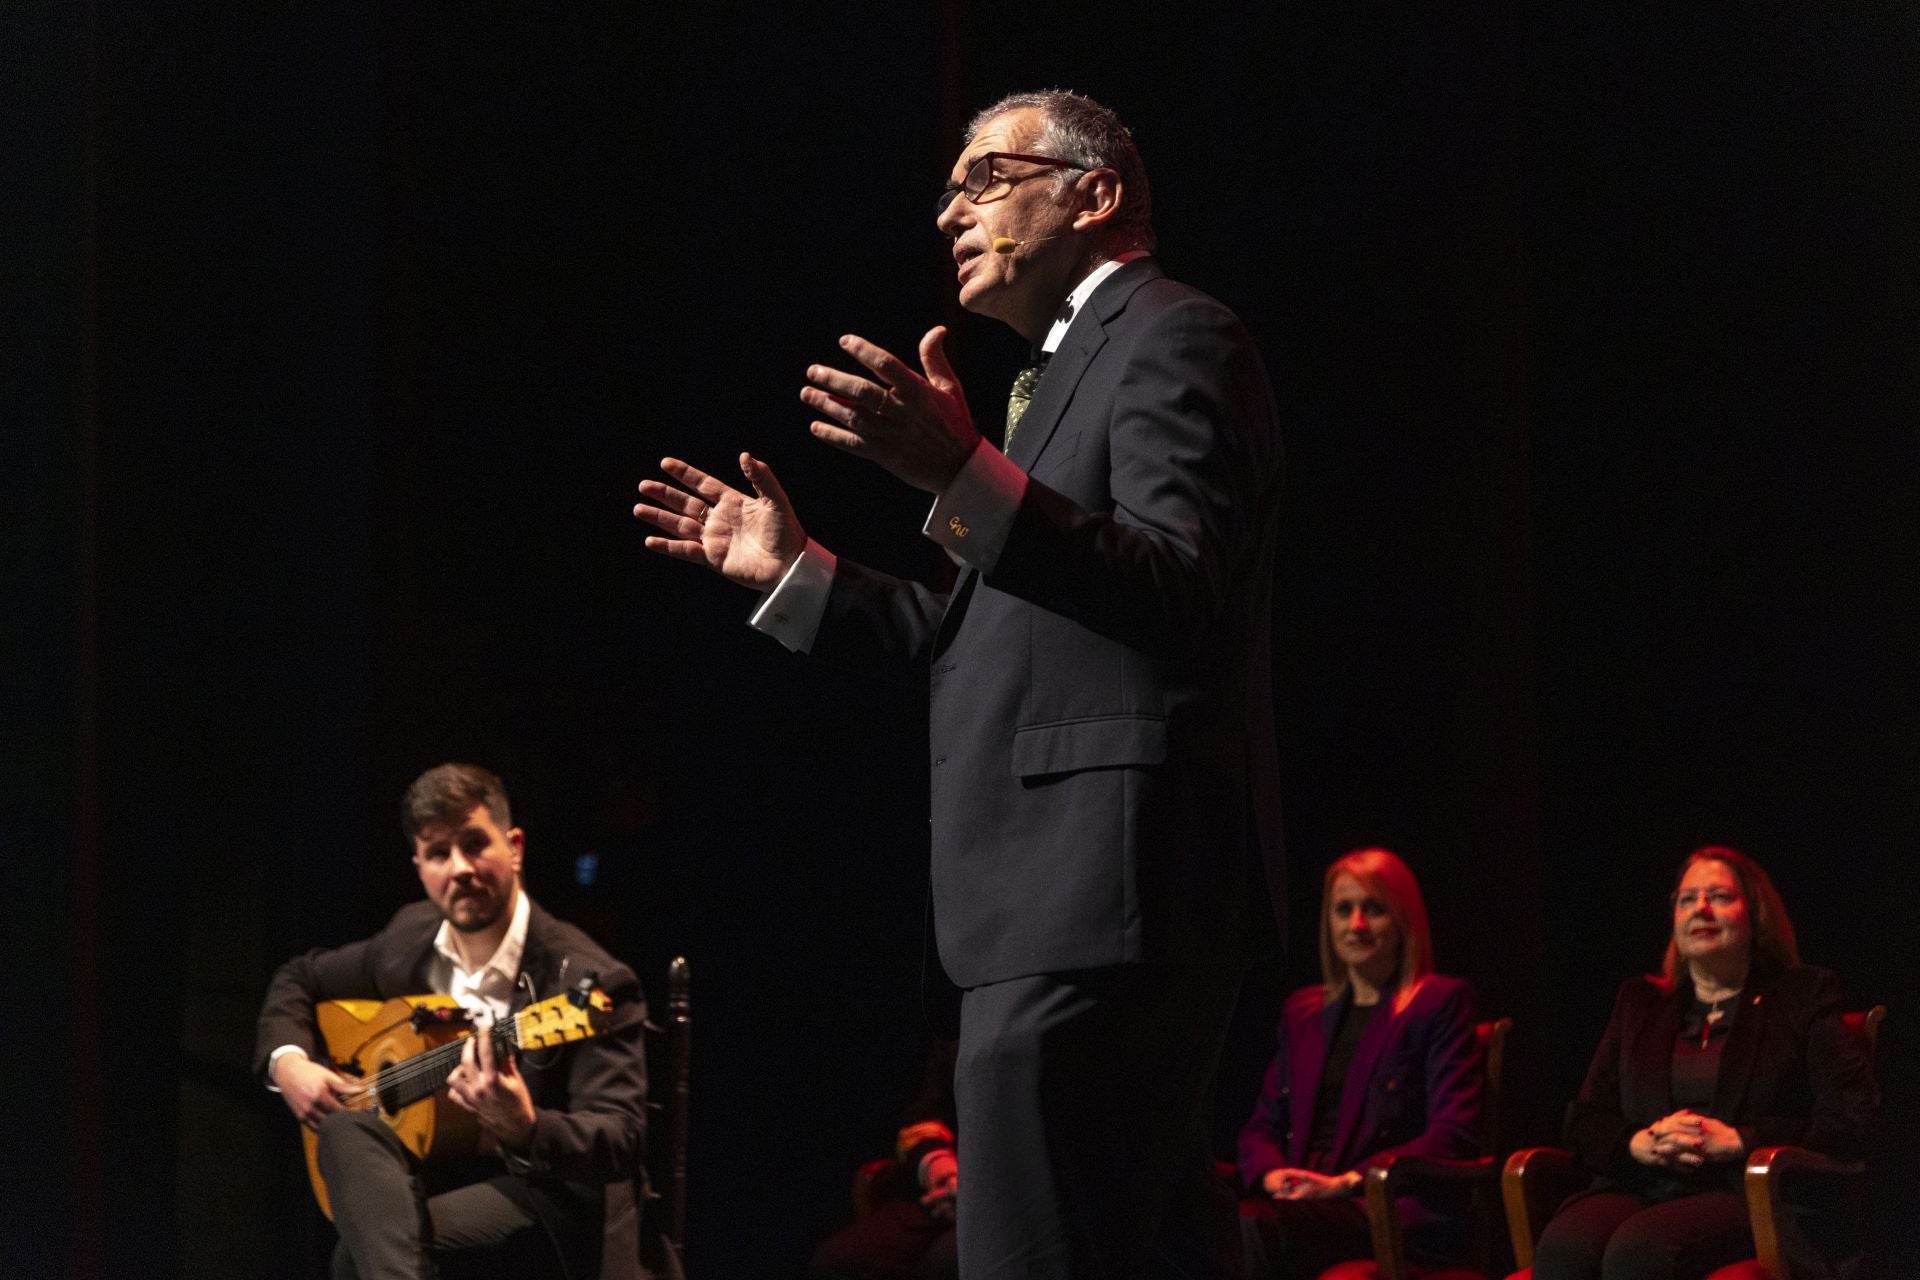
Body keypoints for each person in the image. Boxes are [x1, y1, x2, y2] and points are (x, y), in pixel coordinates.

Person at [632, 89, 1284, 1278]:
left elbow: (1184, 587)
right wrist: (802, 574)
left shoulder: (1175, 334)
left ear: (1094, 193)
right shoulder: (1054, 379)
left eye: (983, 178)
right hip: (1049, 898)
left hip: (1102, 891)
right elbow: (976, 642)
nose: (949, 213)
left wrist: (965, 472)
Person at [254, 763, 652, 1280]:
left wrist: (526, 1127)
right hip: (433, 1170)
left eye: (474, 844)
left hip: (543, 1191)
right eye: (439, 853)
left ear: (515, 846)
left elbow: (621, 1136)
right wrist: (289, 1064)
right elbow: (299, 977)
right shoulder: (408, 938)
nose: (459, 867)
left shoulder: (586, 981)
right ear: (418, 865)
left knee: (356, 1257)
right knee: (342, 1127)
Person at [1532, 846, 1878, 1280]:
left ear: (1755, 914)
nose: (1701, 909)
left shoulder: (1801, 996)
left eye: (1719, 896)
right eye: (1687, 899)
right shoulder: (1640, 1003)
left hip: (1745, 1190)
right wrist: (1638, 1142)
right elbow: (1584, 1118)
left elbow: (1852, 1114)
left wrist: (1741, 1140)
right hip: (1647, 1182)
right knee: (1564, 1247)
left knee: (1640, 1251)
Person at [1236, 849, 1481, 1279]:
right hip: (1302, 1201)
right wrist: (1273, 1175)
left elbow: (1453, 1132)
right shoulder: (1303, 1013)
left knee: (1252, 1228)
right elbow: (1262, 1125)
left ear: (1404, 919)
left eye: (1374, 909)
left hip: (1382, 1207)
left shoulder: (1437, 1003)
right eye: (1343, 910)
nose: (1357, 925)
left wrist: (1349, 1181)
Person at [809, 1040, 961, 1280]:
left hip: (1022, 1191)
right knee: (840, 1261)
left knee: (946, 1263)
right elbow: (926, 1113)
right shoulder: (956, 1024)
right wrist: (940, 1168)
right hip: (949, 1189)